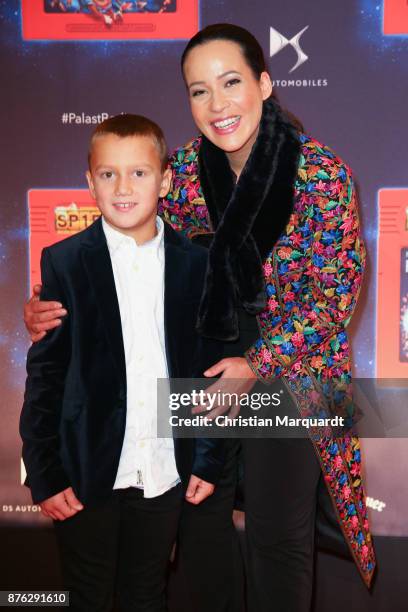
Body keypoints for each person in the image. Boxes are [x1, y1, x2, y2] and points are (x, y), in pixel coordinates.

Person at [24, 23, 376, 612]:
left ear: (264, 83)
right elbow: (126, 241)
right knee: (197, 522)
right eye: (198, 90)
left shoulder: (321, 175)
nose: (217, 104)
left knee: (277, 535)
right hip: (201, 366)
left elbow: (338, 292)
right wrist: (48, 299)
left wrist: (257, 363)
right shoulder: (182, 169)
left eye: (231, 82)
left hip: (292, 375)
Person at [20, 113, 227, 612]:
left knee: (146, 591)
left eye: (138, 172)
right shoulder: (65, 261)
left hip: (162, 469)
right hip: (86, 471)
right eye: (108, 174)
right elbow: (45, 378)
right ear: (90, 182)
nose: (124, 186)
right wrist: (45, 474)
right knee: (87, 594)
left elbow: (205, 374)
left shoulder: (197, 265)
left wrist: (207, 456)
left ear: (165, 179)